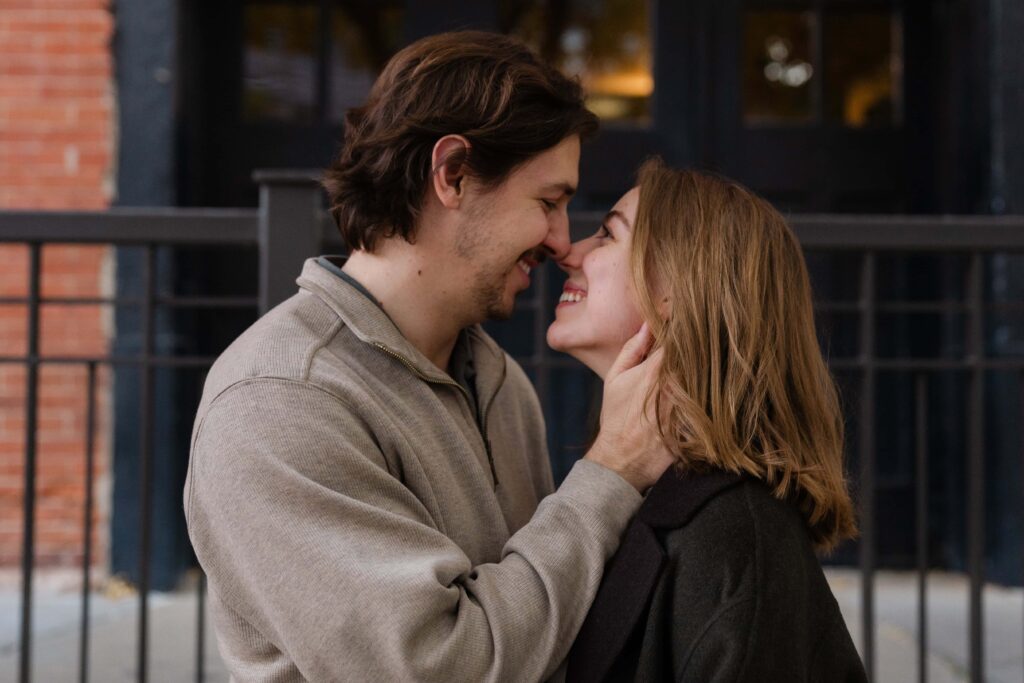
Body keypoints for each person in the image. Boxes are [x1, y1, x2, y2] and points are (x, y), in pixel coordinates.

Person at [184, 31, 674, 682]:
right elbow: (440, 666)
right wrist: (610, 472)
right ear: (453, 175)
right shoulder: (280, 398)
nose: (561, 241)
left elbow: (546, 623)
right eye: (548, 202)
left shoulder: (500, 379)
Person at [548, 159, 868, 682]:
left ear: (677, 286)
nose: (569, 252)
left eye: (607, 235)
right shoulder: (646, 492)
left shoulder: (734, 535)